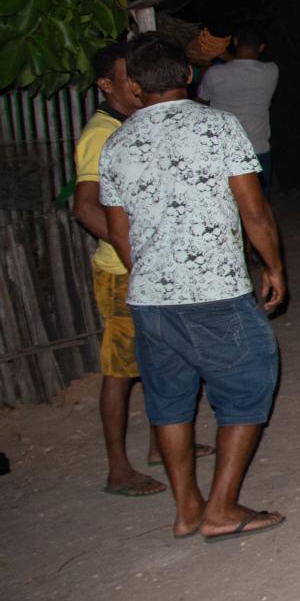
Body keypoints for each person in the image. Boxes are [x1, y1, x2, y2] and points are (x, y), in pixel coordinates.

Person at [100, 33, 288, 542]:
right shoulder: (218, 127)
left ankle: (187, 508)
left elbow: (119, 233)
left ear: (135, 87)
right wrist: (272, 267)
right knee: (249, 387)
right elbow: (254, 210)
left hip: (149, 298)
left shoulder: (117, 143)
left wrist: (155, 273)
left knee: (169, 402)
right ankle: (221, 508)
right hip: (215, 291)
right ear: (188, 75)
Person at [73, 42, 214, 498]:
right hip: (122, 272)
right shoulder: (101, 134)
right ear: (107, 85)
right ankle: (118, 469)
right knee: (120, 371)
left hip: (142, 266)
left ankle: (162, 444)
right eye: (125, 76)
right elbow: (86, 208)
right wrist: (134, 254)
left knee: (159, 359)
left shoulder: (133, 124)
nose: (136, 83)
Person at [198, 27, 279, 194]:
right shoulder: (271, 71)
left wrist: (222, 57)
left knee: (227, 208)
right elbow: (243, 69)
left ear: (235, 42)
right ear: (262, 47)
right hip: (257, 150)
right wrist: (228, 58)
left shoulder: (215, 73)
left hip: (223, 152)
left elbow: (200, 103)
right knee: (259, 206)